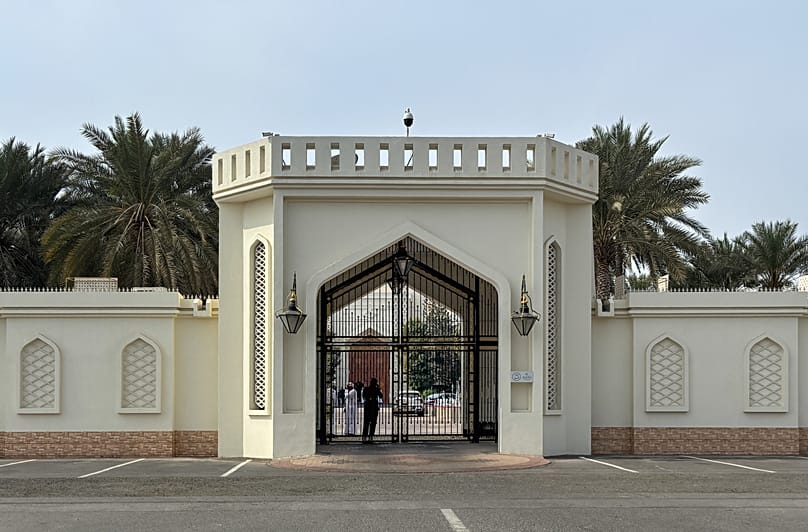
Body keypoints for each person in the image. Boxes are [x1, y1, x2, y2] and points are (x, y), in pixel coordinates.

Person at [361, 377, 383, 443]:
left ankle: (364, 437)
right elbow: (381, 396)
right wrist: (378, 388)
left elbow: (363, 396)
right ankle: (371, 437)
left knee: (366, 422)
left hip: (367, 406)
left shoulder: (366, 389)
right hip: (374, 406)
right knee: (373, 423)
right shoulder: (376, 389)